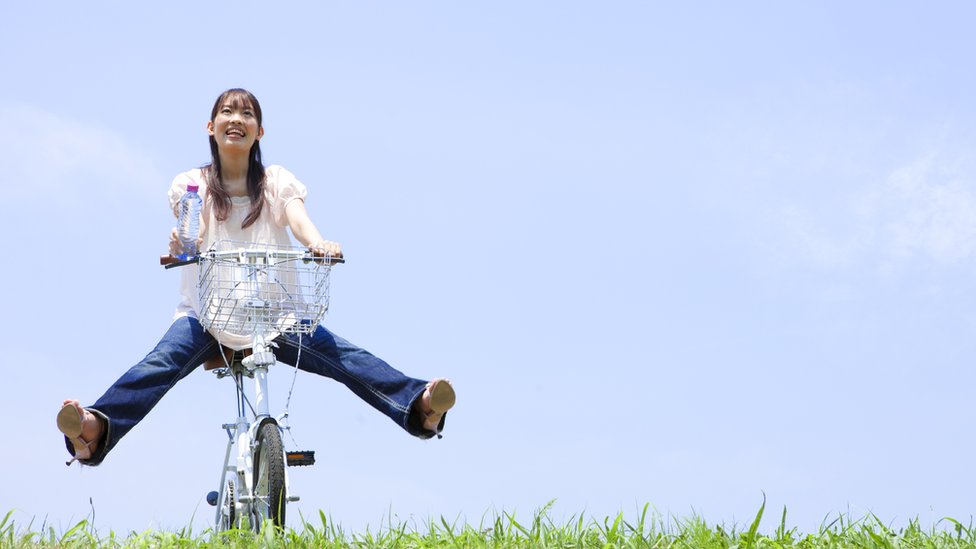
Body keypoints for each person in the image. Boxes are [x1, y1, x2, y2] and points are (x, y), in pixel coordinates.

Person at [57, 88, 455, 466]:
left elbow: (298, 219)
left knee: (347, 359)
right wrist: (183, 241)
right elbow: (189, 232)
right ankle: (92, 428)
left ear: (259, 131)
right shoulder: (191, 184)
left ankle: (419, 406)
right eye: (227, 112)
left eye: (247, 114)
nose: (237, 119)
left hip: (275, 316)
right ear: (210, 126)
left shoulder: (276, 181)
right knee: (160, 364)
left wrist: (319, 243)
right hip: (209, 315)